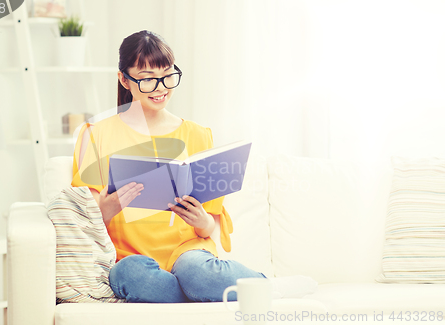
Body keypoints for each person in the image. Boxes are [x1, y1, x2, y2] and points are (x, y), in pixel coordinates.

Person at [71, 30, 317, 303]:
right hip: (130, 257)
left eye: (167, 75)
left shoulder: (198, 134)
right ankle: (203, 293)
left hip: (187, 254)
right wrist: (108, 207)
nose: (161, 87)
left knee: (197, 273)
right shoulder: (95, 135)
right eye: (147, 80)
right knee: (129, 274)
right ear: (124, 80)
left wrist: (201, 222)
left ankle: (253, 286)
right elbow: (83, 222)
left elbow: (208, 226)